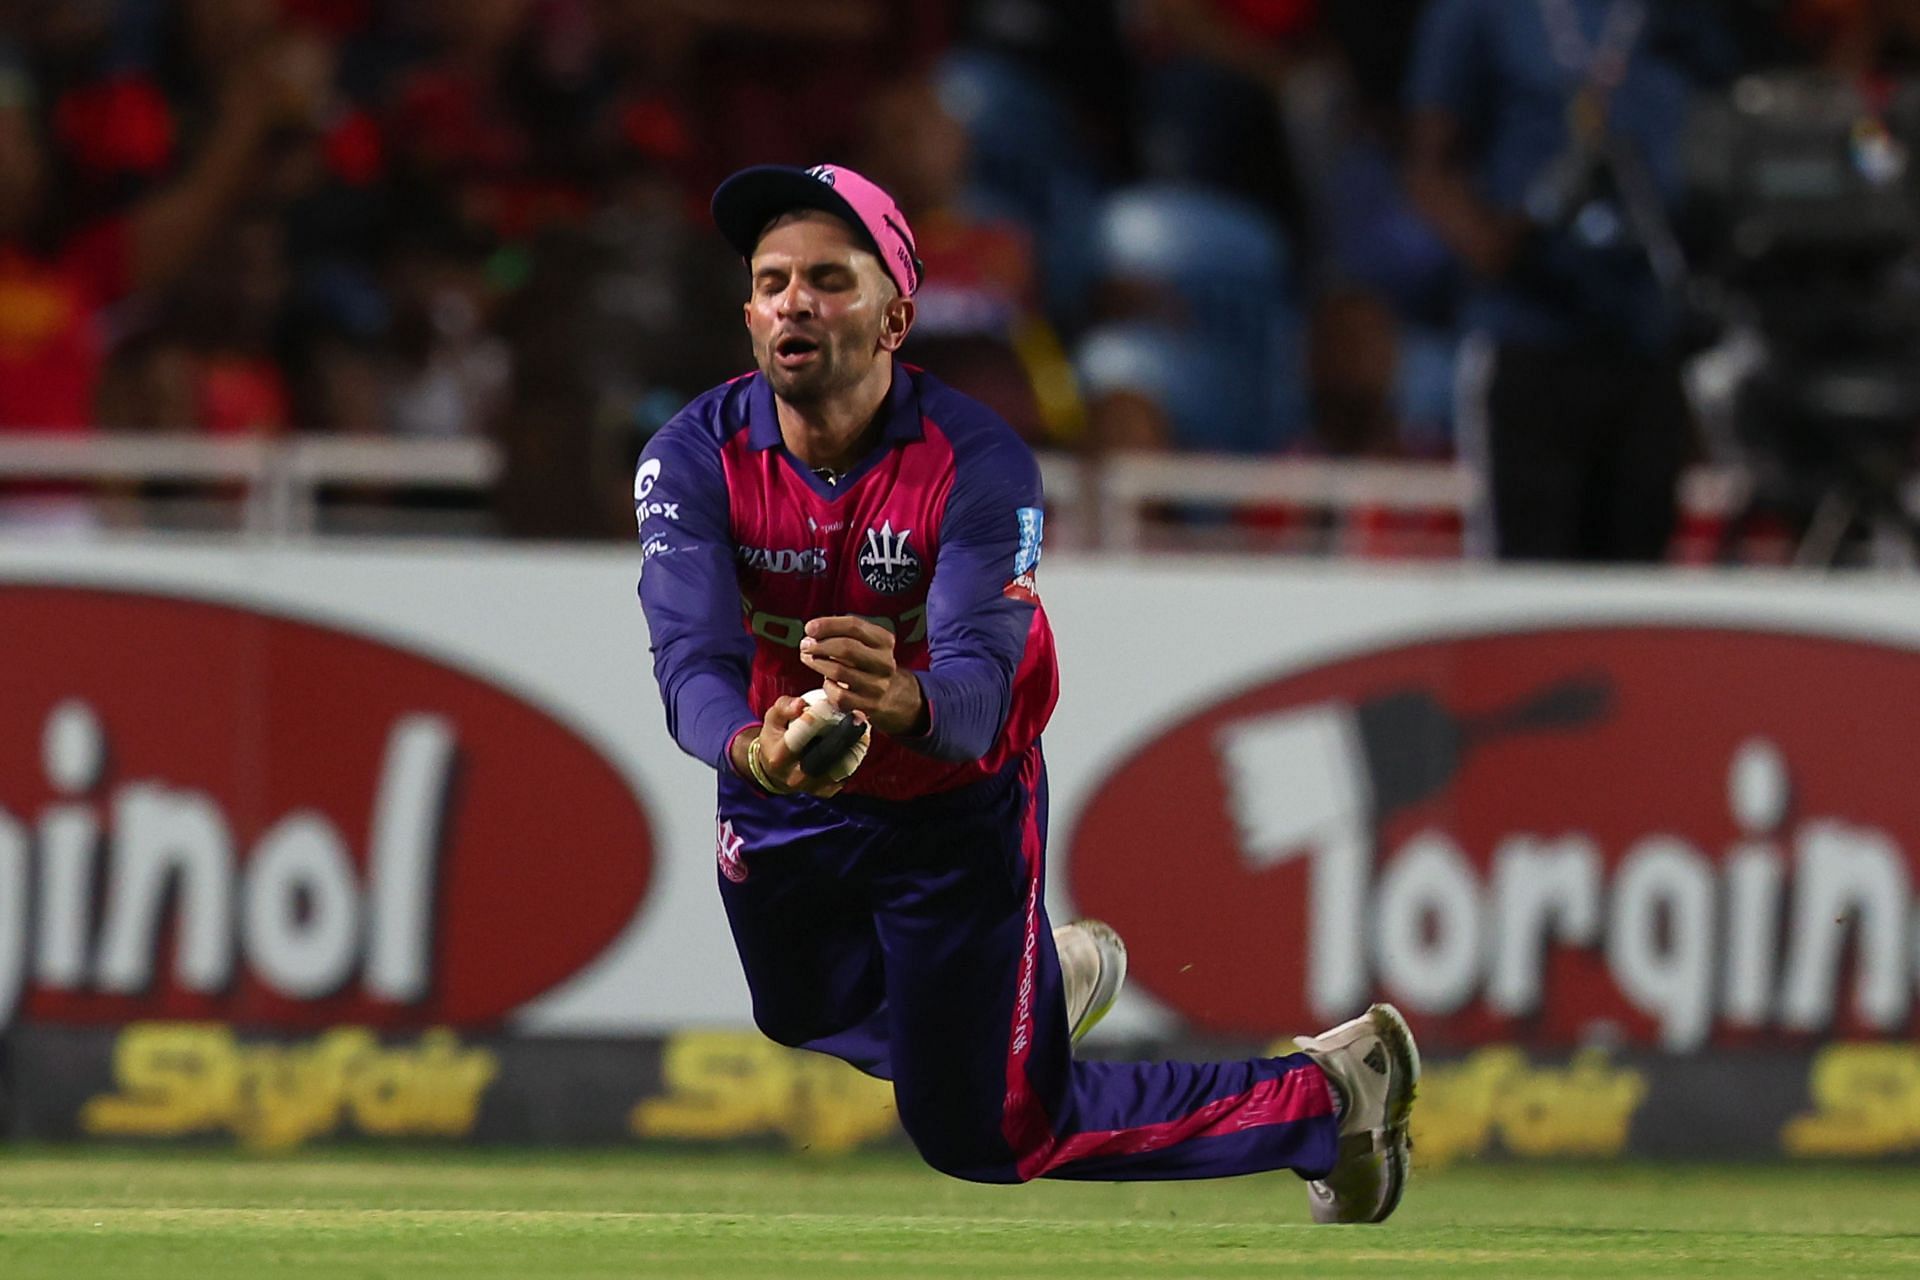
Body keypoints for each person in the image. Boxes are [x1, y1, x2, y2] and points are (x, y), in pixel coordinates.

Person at [632, 161, 1419, 1218]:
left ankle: (1323, 1095)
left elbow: (979, 692)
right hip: (783, 781)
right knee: (797, 1006)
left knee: (983, 1132)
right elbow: (689, 658)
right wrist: (753, 749)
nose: (795, 303)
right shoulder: (691, 455)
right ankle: (1033, 994)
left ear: (894, 316)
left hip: (951, 808)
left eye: (829, 278)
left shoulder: (979, 462)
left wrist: (900, 697)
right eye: (773, 282)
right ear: (749, 313)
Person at [1406, 0, 1735, 562]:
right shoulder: (1481, 12)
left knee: (1635, 584)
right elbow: (1427, 161)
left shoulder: (1681, 17)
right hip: (1529, 332)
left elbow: (1734, 120)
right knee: (1526, 580)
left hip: (1649, 333)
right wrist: (1489, 241)